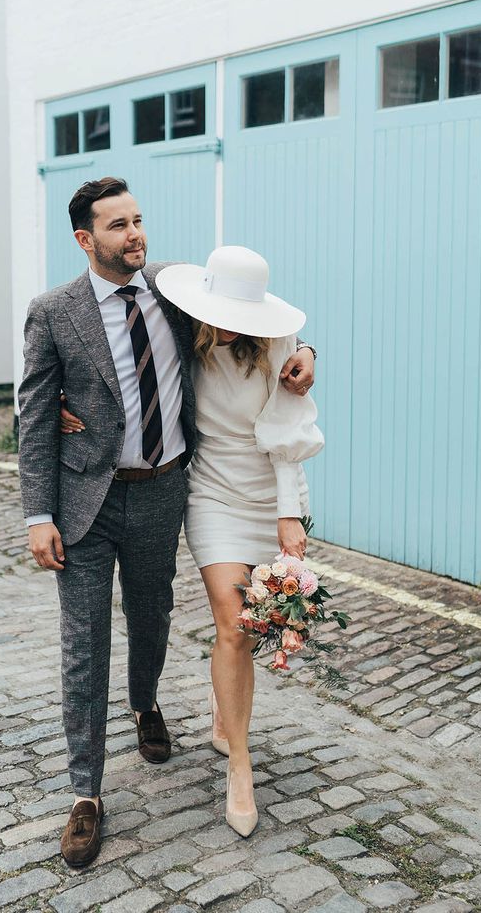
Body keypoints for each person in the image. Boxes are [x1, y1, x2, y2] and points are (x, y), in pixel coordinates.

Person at [19, 177, 316, 867]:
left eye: (138, 220)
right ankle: (85, 794)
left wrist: (309, 355)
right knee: (84, 642)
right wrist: (38, 513)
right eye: (118, 226)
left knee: (151, 617)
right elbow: (33, 415)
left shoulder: (175, 290)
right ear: (84, 238)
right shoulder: (53, 312)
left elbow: (263, 327)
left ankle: (145, 704)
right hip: (84, 503)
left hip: (163, 494)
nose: (135, 235)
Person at [154, 246, 324, 836]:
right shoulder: (179, 327)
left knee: (253, 630)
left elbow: (284, 434)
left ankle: (226, 716)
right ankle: (241, 768)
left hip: (271, 496)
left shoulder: (278, 346)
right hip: (212, 499)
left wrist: (288, 515)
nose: (228, 325)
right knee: (234, 625)